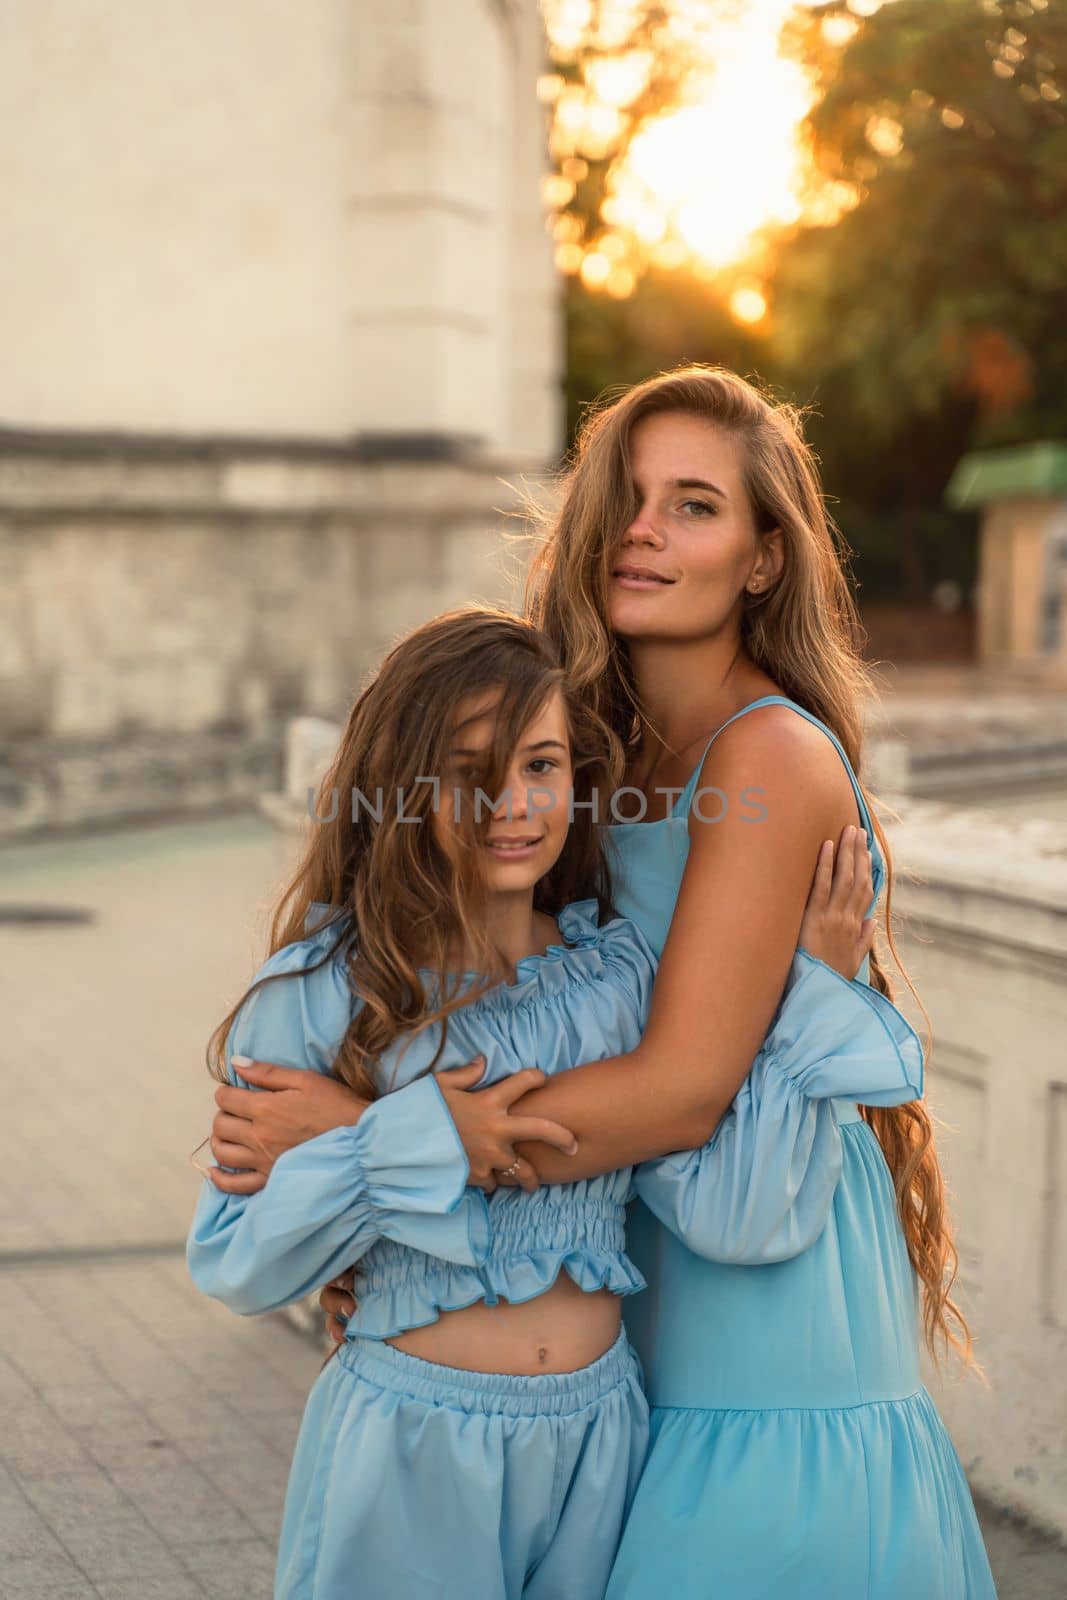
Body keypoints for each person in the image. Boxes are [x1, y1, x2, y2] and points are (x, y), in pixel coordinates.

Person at [213, 368, 997, 1596]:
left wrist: (379, 1142)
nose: (642, 527)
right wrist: (407, 1230)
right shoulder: (584, 736)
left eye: (693, 505)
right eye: (626, 496)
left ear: (762, 559)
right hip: (607, 1248)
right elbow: (483, 959)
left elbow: (684, 1090)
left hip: (753, 1240)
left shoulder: (772, 755)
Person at [189, 606, 893, 1599]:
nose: (509, 804)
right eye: (469, 771)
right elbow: (234, 1258)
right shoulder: (328, 990)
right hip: (410, 1443)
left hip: (600, 1443)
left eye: (540, 766)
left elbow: (735, 1214)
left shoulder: (611, 983)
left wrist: (811, 993)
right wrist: (411, 1140)